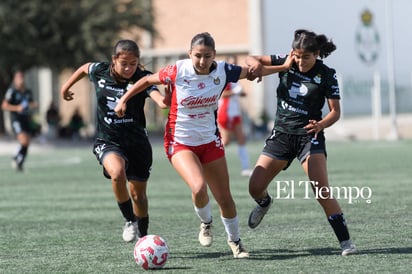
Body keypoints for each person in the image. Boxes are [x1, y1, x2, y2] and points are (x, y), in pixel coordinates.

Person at [114, 32, 290, 258]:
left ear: (214, 55)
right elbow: (147, 80)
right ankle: (206, 222)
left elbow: (255, 71)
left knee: (225, 198)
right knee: (198, 187)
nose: (202, 61)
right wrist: (123, 100)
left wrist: (283, 67)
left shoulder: (223, 71)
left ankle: (235, 242)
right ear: (190, 54)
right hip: (180, 142)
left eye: (207, 56)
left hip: (209, 141)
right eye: (197, 55)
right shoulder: (178, 70)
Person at [245, 29, 357, 256]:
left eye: (305, 57)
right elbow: (252, 59)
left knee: (321, 191)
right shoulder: (287, 62)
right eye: (296, 55)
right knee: (254, 187)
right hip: (282, 135)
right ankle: (265, 203)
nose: (300, 61)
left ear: (316, 54)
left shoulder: (327, 74)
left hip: (309, 136)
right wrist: (279, 67)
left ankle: (346, 242)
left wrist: (320, 125)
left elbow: (335, 112)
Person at [60, 39, 169, 243]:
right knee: (117, 173)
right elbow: (85, 68)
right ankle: (129, 220)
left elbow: (160, 101)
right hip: (108, 140)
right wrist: (65, 87)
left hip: (137, 145)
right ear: (114, 60)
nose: (129, 68)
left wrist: (168, 98)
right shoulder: (100, 71)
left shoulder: (142, 78)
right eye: (124, 63)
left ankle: (143, 237)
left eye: (133, 63)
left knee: (139, 197)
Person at [217, 55, 252, 177]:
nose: (233, 65)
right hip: (225, 112)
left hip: (235, 111)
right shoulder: (224, 76)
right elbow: (221, 94)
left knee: (241, 139)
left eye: (235, 62)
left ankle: (246, 168)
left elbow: (239, 92)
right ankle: (211, 164)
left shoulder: (236, 77)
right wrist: (234, 92)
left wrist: (240, 92)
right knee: (225, 141)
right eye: (231, 63)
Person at [1, 69, 38, 171]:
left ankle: (20, 162)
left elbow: (32, 103)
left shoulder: (28, 92)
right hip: (16, 120)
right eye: (18, 78)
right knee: (23, 140)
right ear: (15, 80)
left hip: (26, 119)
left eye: (22, 77)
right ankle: (15, 157)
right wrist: (17, 108)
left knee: (27, 143)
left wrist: (33, 105)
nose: (21, 80)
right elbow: (4, 106)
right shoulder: (12, 91)